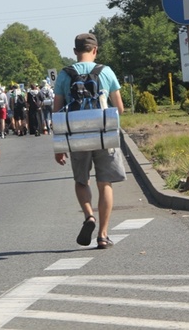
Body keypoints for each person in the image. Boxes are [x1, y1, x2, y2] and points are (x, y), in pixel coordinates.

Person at [53, 33, 127, 249]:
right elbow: (119, 108)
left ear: (75, 52)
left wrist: (58, 146)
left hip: (77, 136)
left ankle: (88, 216)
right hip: (105, 134)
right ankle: (103, 235)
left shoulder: (65, 75)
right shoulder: (106, 71)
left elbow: (56, 111)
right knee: (105, 183)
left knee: (81, 181)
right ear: (95, 50)